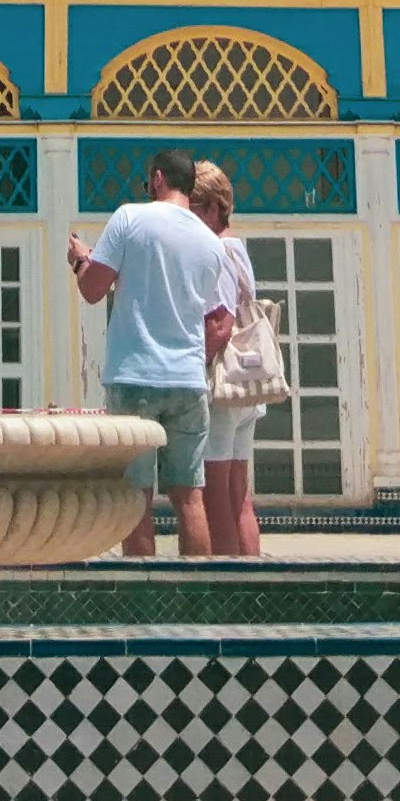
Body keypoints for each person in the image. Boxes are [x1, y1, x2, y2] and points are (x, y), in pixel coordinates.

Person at [65, 149, 230, 558]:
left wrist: (80, 261)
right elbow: (211, 317)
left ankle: (145, 606)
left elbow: (92, 290)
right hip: (188, 382)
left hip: (136, 374)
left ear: (157, 179)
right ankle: (197, 604)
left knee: (136, 499)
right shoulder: (211, 244)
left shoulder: (129, 218)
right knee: (189, 496)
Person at [190, 160, 267, 563]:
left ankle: (223, 588)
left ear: (214, 208)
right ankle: (250, 581)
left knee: (215, 492)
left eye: (194, 208)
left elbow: (220, 326)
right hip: (245, 386)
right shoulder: (238, 248)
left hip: (221, 389)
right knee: (240, 495)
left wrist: (188, 366)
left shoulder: (216, 251)